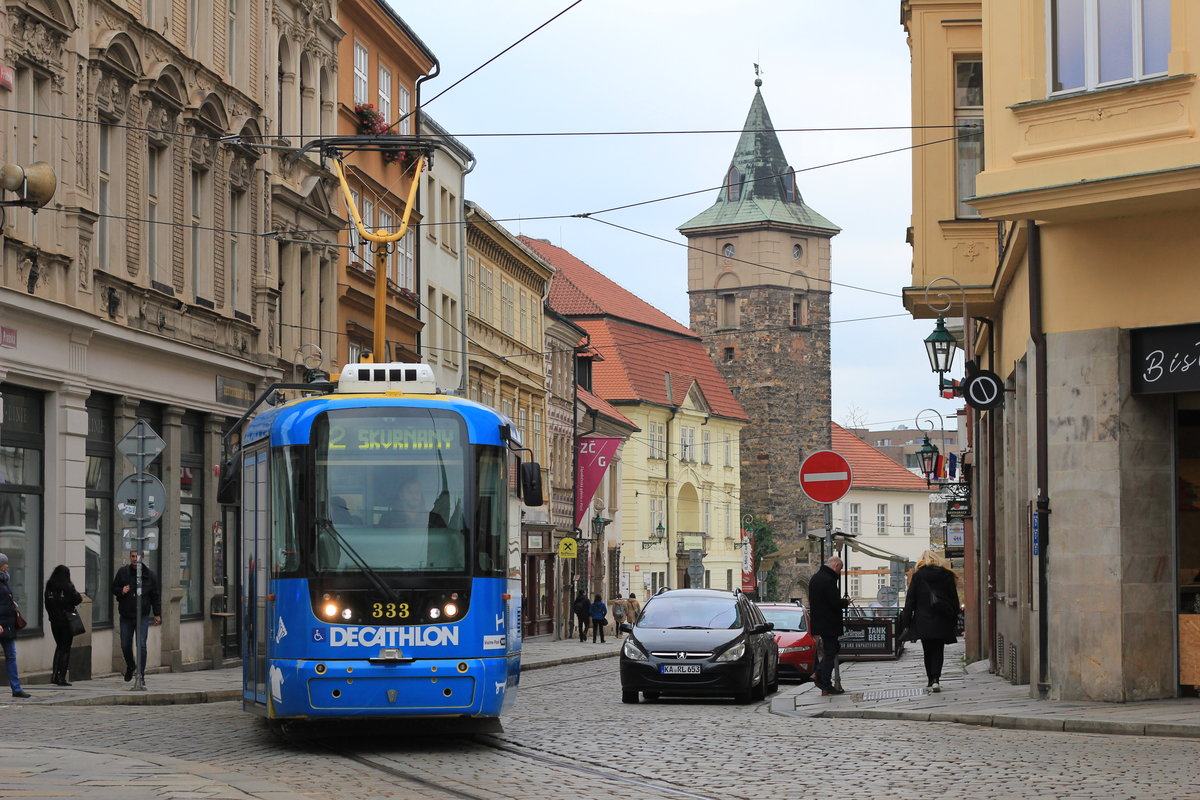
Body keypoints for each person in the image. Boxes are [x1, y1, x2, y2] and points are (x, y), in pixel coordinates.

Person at [901, 549, 959, 692]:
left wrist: (906, 623)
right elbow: (954, 599)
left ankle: (930, 680)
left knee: (928, 650)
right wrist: (954, 618)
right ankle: (936, 679)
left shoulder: (918, 576)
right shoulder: (947, 575)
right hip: (942, 618)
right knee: (939, 649)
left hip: (923, 619)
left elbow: (910, 601)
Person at [111, 550, 161, 682]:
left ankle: (141, 674)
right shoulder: (123, 572)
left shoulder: (150, 575)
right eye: (132, 556)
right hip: (126, 616)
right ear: (130, 557)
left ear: (142, 558)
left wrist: (157, 614)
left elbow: (155, 595)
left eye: (137, 557)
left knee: (142, 645)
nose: (135, 559)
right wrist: (121, 591)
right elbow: (113, 588)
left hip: (142, 616)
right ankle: (131, 666)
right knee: (125, 645)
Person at [808, 555, 851, 695]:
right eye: (840, 569)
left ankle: (819, 675)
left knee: (832, 649)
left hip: (819, 621)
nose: (839, 572)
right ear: (836, 566)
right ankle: (825, 683)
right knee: (830, 651)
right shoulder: (828, 580)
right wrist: (845, 602)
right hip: (829, 622)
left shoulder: (815, 578)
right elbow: (834, 603)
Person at [43, 564, 83, 686]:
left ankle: (54, 675)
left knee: (59, 646)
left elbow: (47, 603)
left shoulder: (50, 586)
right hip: (66, 620)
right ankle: (61, 677)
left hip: (54, 621)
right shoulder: (68, 586)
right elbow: (78, 599)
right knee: (65, 648)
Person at [0, 553, 31, 698]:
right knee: (11, 656)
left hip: (8, 625)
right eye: (5, 563)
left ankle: (16, 688)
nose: (7, 566)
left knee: (11, 656)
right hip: (1, 624)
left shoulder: (5, 581)